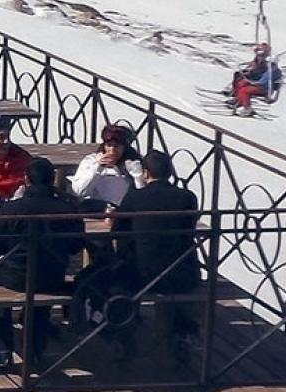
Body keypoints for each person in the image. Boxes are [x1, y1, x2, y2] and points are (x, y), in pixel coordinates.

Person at [0, 157, 86, 368]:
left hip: (15, 276)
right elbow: (76, 245)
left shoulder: (15, 207)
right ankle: (35, 351)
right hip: (52, 275)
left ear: (26, 179)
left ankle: (2, 349)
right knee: (40, 300)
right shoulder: (67, 208)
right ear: (52, 180)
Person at [112, 151, 203, 359]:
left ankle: (125, 336)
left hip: (144, 277)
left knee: (116, 282)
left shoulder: (136, 197)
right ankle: (180, 334)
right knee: (175, 285)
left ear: (145, 173)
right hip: (184, 274)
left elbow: (118, 231)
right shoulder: (187, 197)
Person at [68, 124, 142, 209]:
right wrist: (98, 169)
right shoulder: (91, 161)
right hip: (98, 210)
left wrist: (138, 176)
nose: (112, 150)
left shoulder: (134, 163)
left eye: (116, 146)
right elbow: (79, 191)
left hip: (126, 211)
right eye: (109, 145)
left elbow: (144, 196)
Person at [228, 42, 280, 117]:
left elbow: (263, 82)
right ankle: (239, 100)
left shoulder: (272, 71)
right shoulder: (269, 69)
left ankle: (247, 108)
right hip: (262, 86)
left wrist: (251, 82)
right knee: (242, 83)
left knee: (244, 90)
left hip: (265, 89)